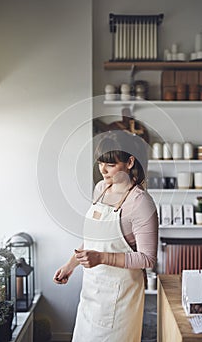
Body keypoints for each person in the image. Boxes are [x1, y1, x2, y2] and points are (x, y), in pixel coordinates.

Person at [53, 130, 159, 342]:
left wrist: (101, 258)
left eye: (110, 164)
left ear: (129, 162)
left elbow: (147, 259)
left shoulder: (140, 203)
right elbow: (95, 238)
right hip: (92, 292)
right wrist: (70, 265)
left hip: (120, 300)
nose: (103, 169)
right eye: (100, 162)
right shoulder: (101, 188)